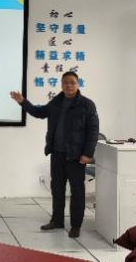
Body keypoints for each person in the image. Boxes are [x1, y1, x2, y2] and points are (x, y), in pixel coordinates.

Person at [10, 71, 99, 238]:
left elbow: (93, 131)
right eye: (66, 82)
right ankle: (57, 221)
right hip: (57, 153)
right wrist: (23, 101)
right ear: (61, 84)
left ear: (78, 84)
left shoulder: (87, 105)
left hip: (76, 156)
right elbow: (39, 112)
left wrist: (88, 154)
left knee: (77, 192)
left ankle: (76, 225)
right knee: (57, 189)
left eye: (72, 82)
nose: (69, 85)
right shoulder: (57, 102)